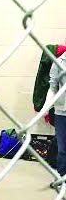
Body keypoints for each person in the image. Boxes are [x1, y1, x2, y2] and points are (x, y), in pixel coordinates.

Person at [44, 51, 66, 184]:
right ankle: (61, 177)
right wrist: (46, 108)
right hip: (62, 112)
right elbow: (52, 87)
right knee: (63, 148)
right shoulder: (59, 62)